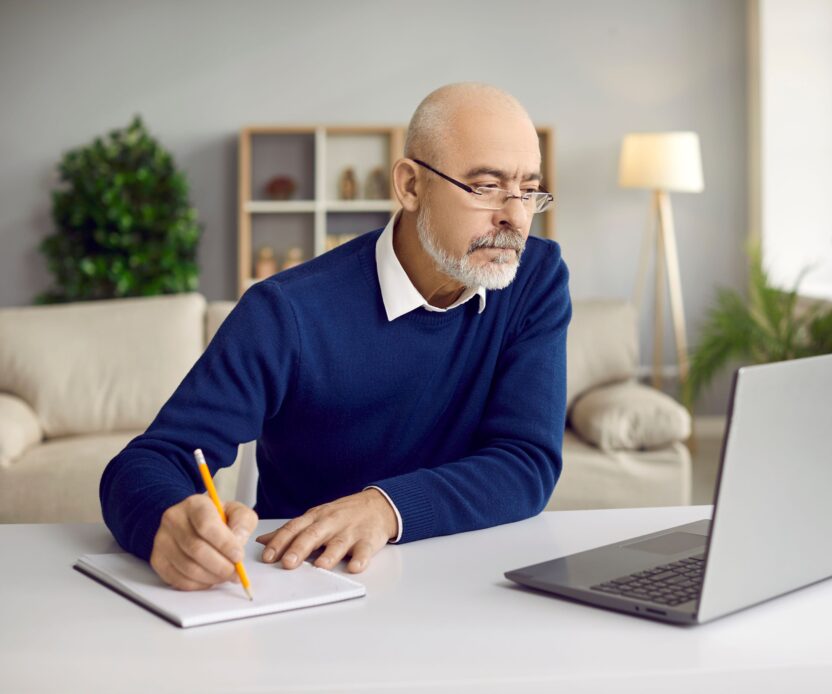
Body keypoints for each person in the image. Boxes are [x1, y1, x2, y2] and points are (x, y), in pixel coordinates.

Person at [98, 82, 571, 591]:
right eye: (485, 187)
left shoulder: (534, 278)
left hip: (473, 579)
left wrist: (386, 509)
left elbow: (526, 460)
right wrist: (166, 523)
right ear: (411, 186)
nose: (516, 217)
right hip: (311, 584)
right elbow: (149, 462)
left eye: (527, 190)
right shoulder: (287, 311)